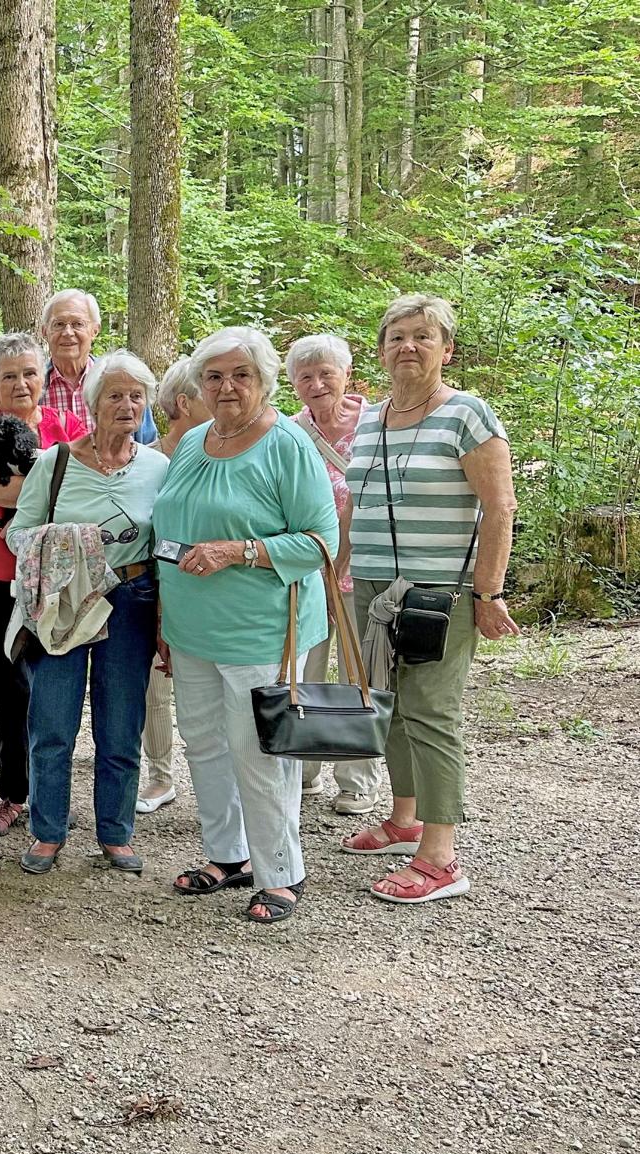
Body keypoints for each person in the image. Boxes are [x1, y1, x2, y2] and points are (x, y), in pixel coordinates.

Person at [153, 328, 339, 925]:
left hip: (261, 630)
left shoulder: (287, 444)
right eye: (214, 376)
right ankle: (227, 854)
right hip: (191, 627)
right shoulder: (193, 441)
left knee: (261, 751)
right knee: (204, 743)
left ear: (264, 381)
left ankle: (281, 872)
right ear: (199, 385)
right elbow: (170, 532)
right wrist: (164, 617)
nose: (227, 386)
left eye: (241, 375)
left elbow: (321, 542)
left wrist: (238, 551)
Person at [339, 294, 518, 903]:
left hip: (440, 591)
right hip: (372, 589)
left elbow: (499, 507)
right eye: (396, 337)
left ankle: (441, 858)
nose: (408, 346)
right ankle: (405, 820)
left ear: (447, 349)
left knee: (431, 712)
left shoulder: (467, 414)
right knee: (386, 703)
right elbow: (357, 502)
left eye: (422, 336)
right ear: (381, 350)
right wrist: (338, 568)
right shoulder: (371, 418)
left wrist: (487, 592)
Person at [5, 351, 170, 876]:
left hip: (132, 598)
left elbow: (167, 544)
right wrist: (68, 545)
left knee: (121, 724)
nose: (127, 405)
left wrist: (167, 619)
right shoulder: (54, 463)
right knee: (52, 722)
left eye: (136, 396)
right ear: (93, 403)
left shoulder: (159, 468)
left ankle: (116, 834)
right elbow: (16, 533)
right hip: (64, 601)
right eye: (115, 395)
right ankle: (47, 832)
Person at [0, 331, 88, 836]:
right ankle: (13, 793)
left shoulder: (63, 424)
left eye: (30, 373)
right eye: (9, 375)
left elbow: (87, 483)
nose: (21, 383)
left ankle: (50, 793)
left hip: (55, 577)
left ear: (43, 377)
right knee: (6, 683)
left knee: (55, 683)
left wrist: (32, 493)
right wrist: (51, 490)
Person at [285, 333, 383, 817]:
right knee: (304, 671)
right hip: (306, 571)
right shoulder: (290, 431)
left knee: (356, 676)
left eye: (326, 373)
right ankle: (303, 769)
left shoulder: (377, 423)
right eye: (305, 376)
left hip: (362, 570)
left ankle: (357, 780)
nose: (317, 384)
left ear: (347, 374)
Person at [135, 355, 212, 816]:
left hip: (207, 590)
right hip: (152, 585)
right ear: (184, 403)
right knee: (154, 687)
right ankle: (160, 777)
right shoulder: (150, 460)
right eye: (207, 389)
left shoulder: (221, 453)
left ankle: (215, 785)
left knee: (205, 693)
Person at [36, 289, 159, 443]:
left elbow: (148, 444)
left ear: (95, 330)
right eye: (59, 324)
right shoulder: (32, 387)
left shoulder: (123, 380)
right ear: (44, 331)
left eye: (78, 324)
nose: (68, 332)